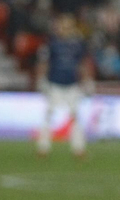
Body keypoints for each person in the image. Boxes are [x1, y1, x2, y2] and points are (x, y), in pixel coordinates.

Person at [35, 15, 94, 158]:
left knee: (75, 116)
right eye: (63, 26)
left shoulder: (78, 45)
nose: (65, 29)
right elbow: (44, 63)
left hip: (72, 85)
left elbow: (83, 65)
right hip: (54, 83)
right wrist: (41, 79)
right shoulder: (52, 44)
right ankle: (43, 148)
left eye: (68, 26)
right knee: (49, 115)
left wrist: (88, 81)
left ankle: (78, 149)